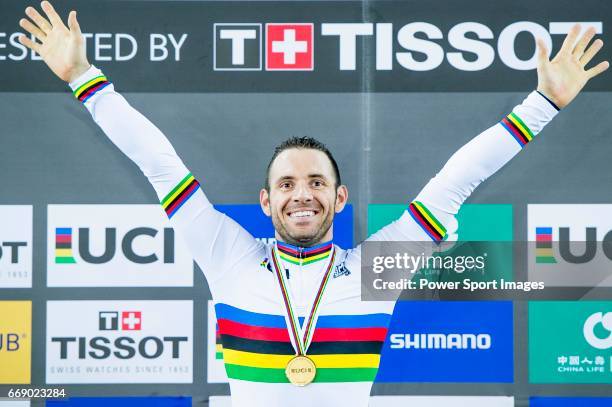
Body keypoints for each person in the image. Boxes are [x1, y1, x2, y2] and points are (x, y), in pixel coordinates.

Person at [18, 2, 608, 406]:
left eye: (317, 182)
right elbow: (158, 163)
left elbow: (455, 180)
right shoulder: (228, 255)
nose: (302, 193)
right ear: (266, 201)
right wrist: (83, 77)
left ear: (339, 197)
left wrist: (543, 103)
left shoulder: (378, 266)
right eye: (287, 184)